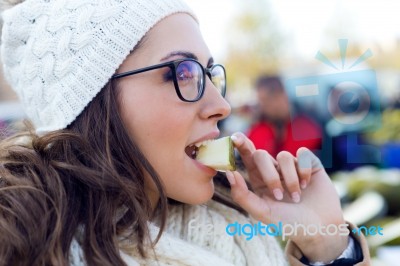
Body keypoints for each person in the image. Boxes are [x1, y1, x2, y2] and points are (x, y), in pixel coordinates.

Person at [0, 0, 370, 265]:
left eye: (209, 75)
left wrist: (328, 244)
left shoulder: (241, 234)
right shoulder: (30, 251)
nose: (221, 105)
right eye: (182, 73)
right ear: (90, 102)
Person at [248, 75, 322, 158]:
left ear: (282, 96)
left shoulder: (306, 127)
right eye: (261, 101)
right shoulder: (257, 130)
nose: (263, 106)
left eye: (267, 100)